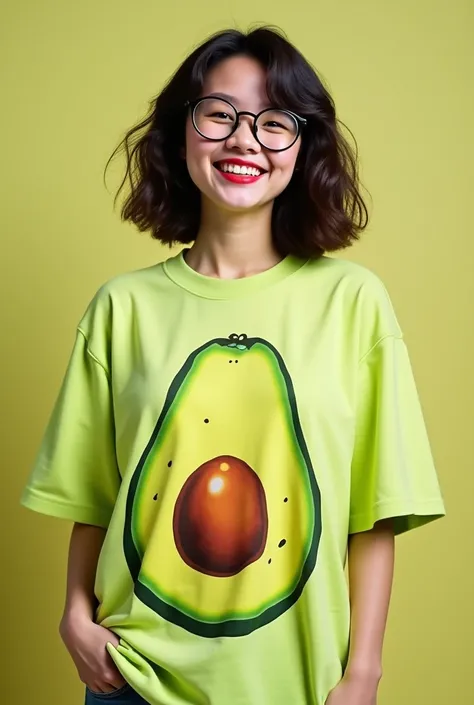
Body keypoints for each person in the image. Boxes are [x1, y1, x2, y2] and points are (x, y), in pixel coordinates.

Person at [20, 26, 446, 705]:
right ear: (181, 132)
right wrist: (74, 613)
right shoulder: (120, 307)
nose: (245, 139)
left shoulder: (354, 301)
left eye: (275, 121)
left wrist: (364, 670)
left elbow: (377, 512)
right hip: (135, 682)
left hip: (298, 687)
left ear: (303, 148)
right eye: (220, 114)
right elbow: (96, 496)